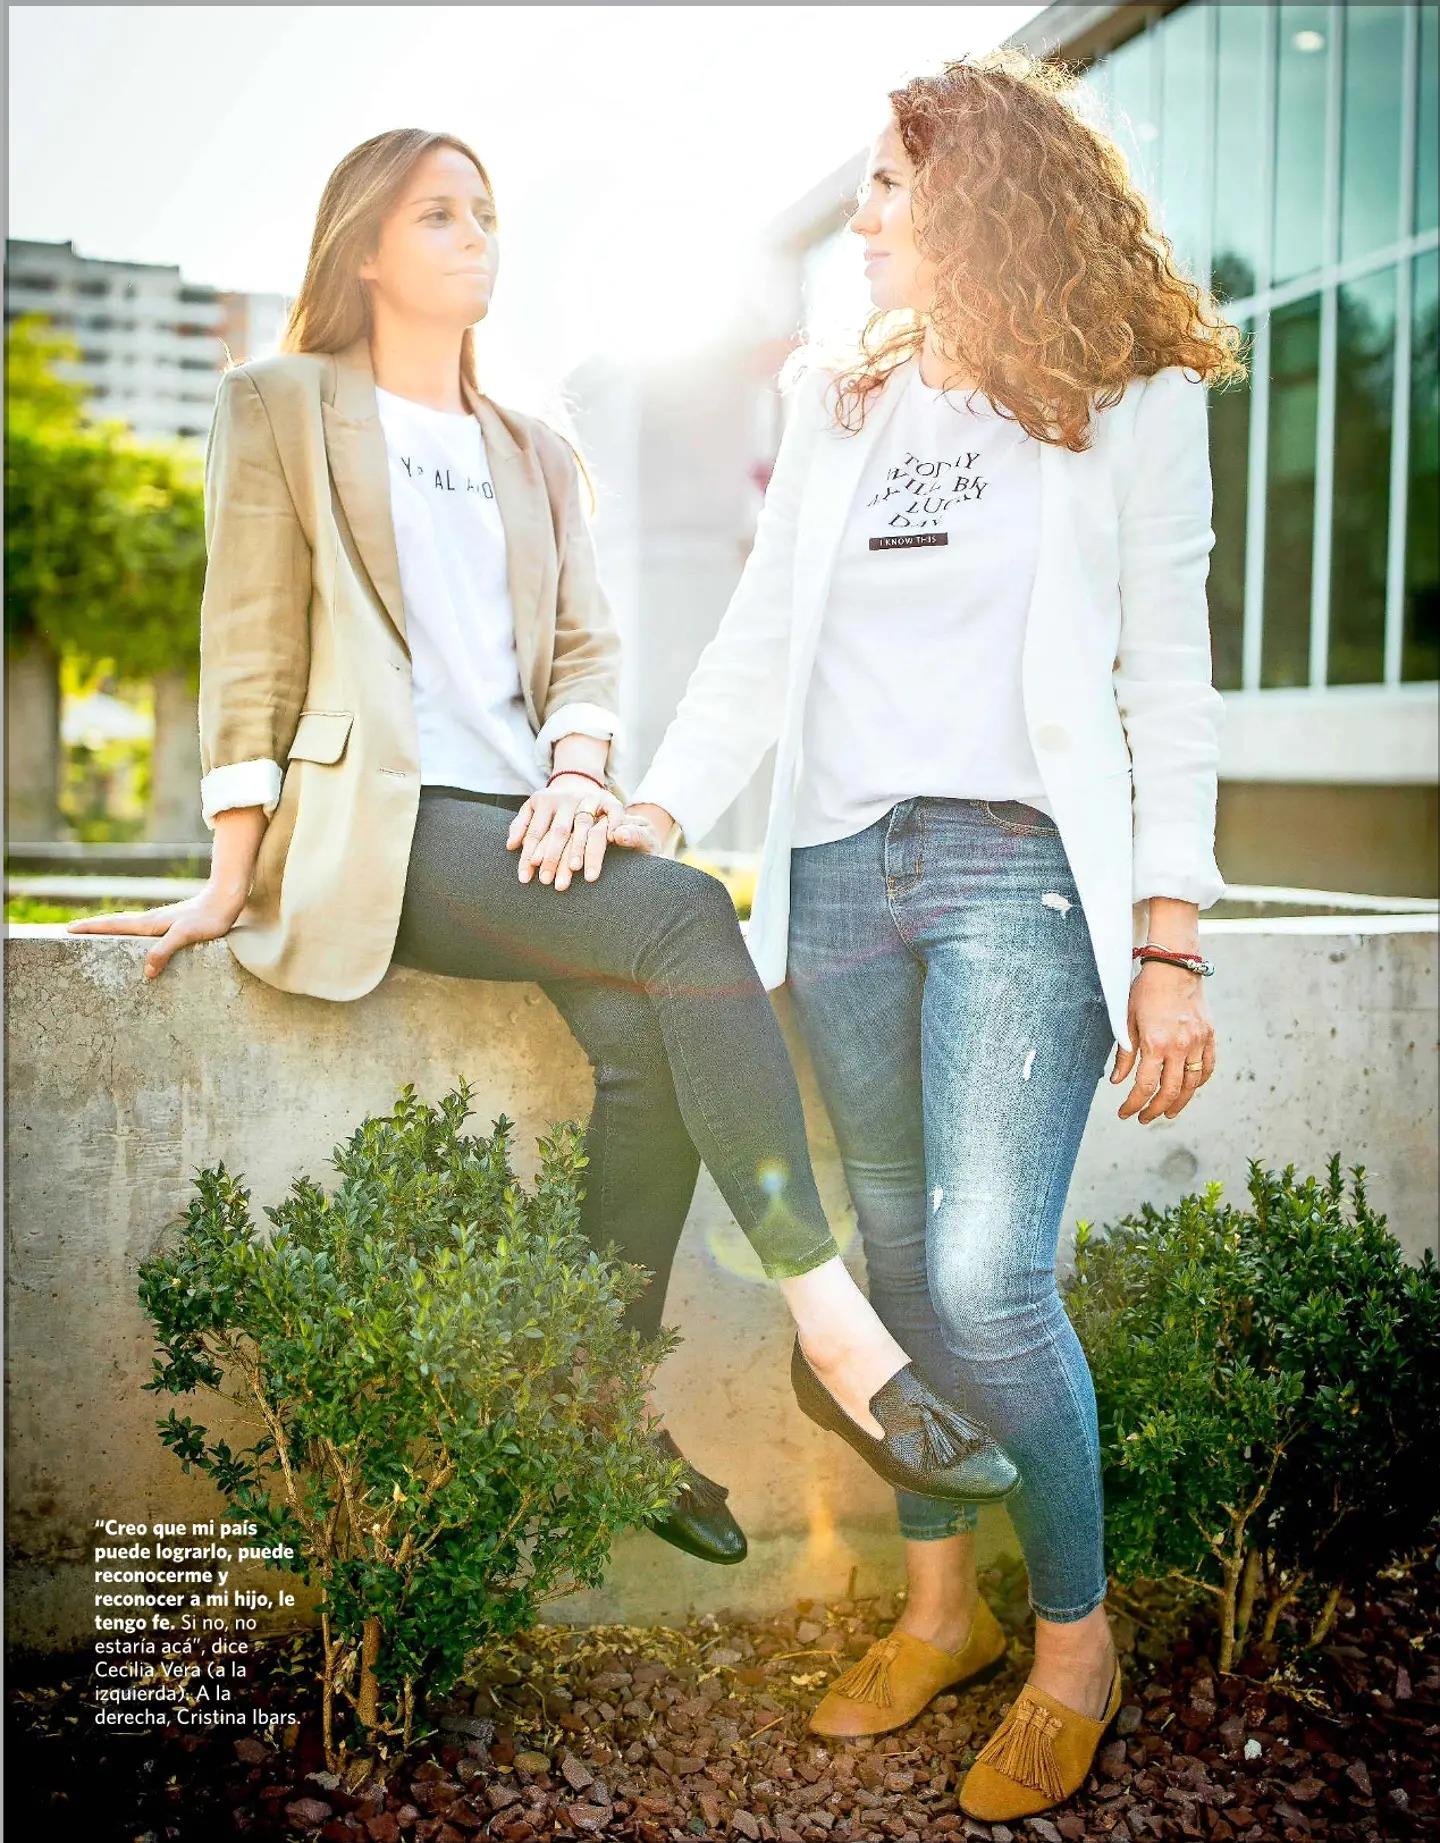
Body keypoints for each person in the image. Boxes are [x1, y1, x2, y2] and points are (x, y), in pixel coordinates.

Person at [67, 127, 1018, 1575]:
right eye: (437, 216)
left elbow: (584, 651)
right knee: (686, 915)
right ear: (363, 249)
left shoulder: (534, 446)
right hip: (381, 829)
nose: (476, 238)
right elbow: (247, 646)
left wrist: (579, 773)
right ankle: (843, 1345)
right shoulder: (277, 403)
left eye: (487, 214)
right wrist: (229, 871)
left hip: (525, 823)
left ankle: (598, 1402)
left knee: (649, 1039)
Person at [611, 50, 1243, 1823]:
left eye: (891, 186)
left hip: (1015, 875)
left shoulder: (1132, 396)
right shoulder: (844, 396)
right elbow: (759, 641)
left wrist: (1172, 942)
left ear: (983, 196)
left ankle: (1073, 1649)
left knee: (985, 1280)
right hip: (835, 871)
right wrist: (661, 809)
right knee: (894, 1271)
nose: (866, 220)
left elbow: (1168, 683)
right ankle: (941, 1614)